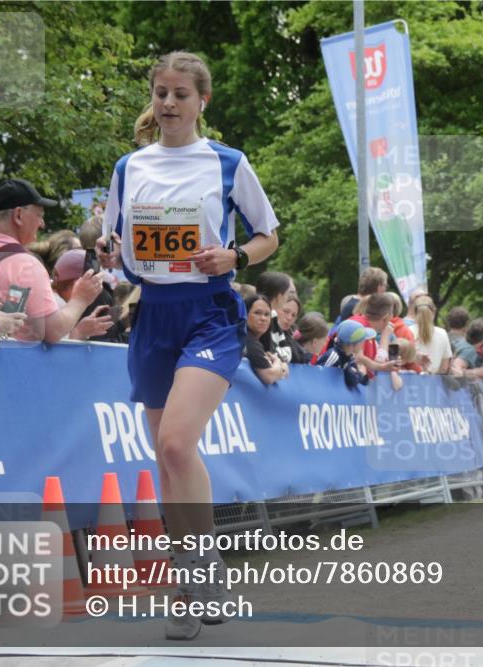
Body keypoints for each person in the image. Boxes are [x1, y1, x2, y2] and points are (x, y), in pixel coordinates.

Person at [96, 51, 280, 640]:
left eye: (180, 93)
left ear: (203, 101)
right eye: (160, 93)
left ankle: (201, 572)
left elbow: (269, 234)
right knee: (166, 459)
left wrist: (236, 256)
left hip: (210, 313)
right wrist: (110, 256)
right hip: (153, 315)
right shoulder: (129, 166)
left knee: (176, 444)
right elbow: (116, 248)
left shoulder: (227, 162)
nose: (169, 103)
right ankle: (193, 579)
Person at [0, 178, 104, 342]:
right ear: (18, 215)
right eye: (39, 216)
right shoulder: (26, 264)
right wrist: (80, 299)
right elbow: (53, 332)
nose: (42, 224)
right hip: (10, 363)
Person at [50, 250, 119, 341]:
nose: (98, 290)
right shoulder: (55, 306)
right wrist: (79, 332)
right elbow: (58, 354)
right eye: (95, 283)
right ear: (77, 283)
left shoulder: (55, 300)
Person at [313, 319, 373, 389]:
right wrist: (360, 373)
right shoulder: (334, 356)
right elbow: (317, 379)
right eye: (362, 340)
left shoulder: (349, 357)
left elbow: (362, 381)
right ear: (353, 344)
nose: (364, 343)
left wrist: (360, 374)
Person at [243, 294, 288, 385]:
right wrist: (279, 363)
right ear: (245, 314)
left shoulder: (258, 342)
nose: (263, 318)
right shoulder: (247, 340)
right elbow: (269, 376)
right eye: (257, 313)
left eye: (267, 314)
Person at [254, 271, 298, 363]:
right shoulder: (264, 318)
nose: (293, 298)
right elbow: (268, 353)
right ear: (279, 296)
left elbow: (285, 353)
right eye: (290, 293)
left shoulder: (273, 318)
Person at [408, 295, 452, 374]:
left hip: (410, 381)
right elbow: (444, 368)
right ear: (434, 311)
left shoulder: (407, 331)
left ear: (414, 312)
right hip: (433, 382)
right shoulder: (443, 333)